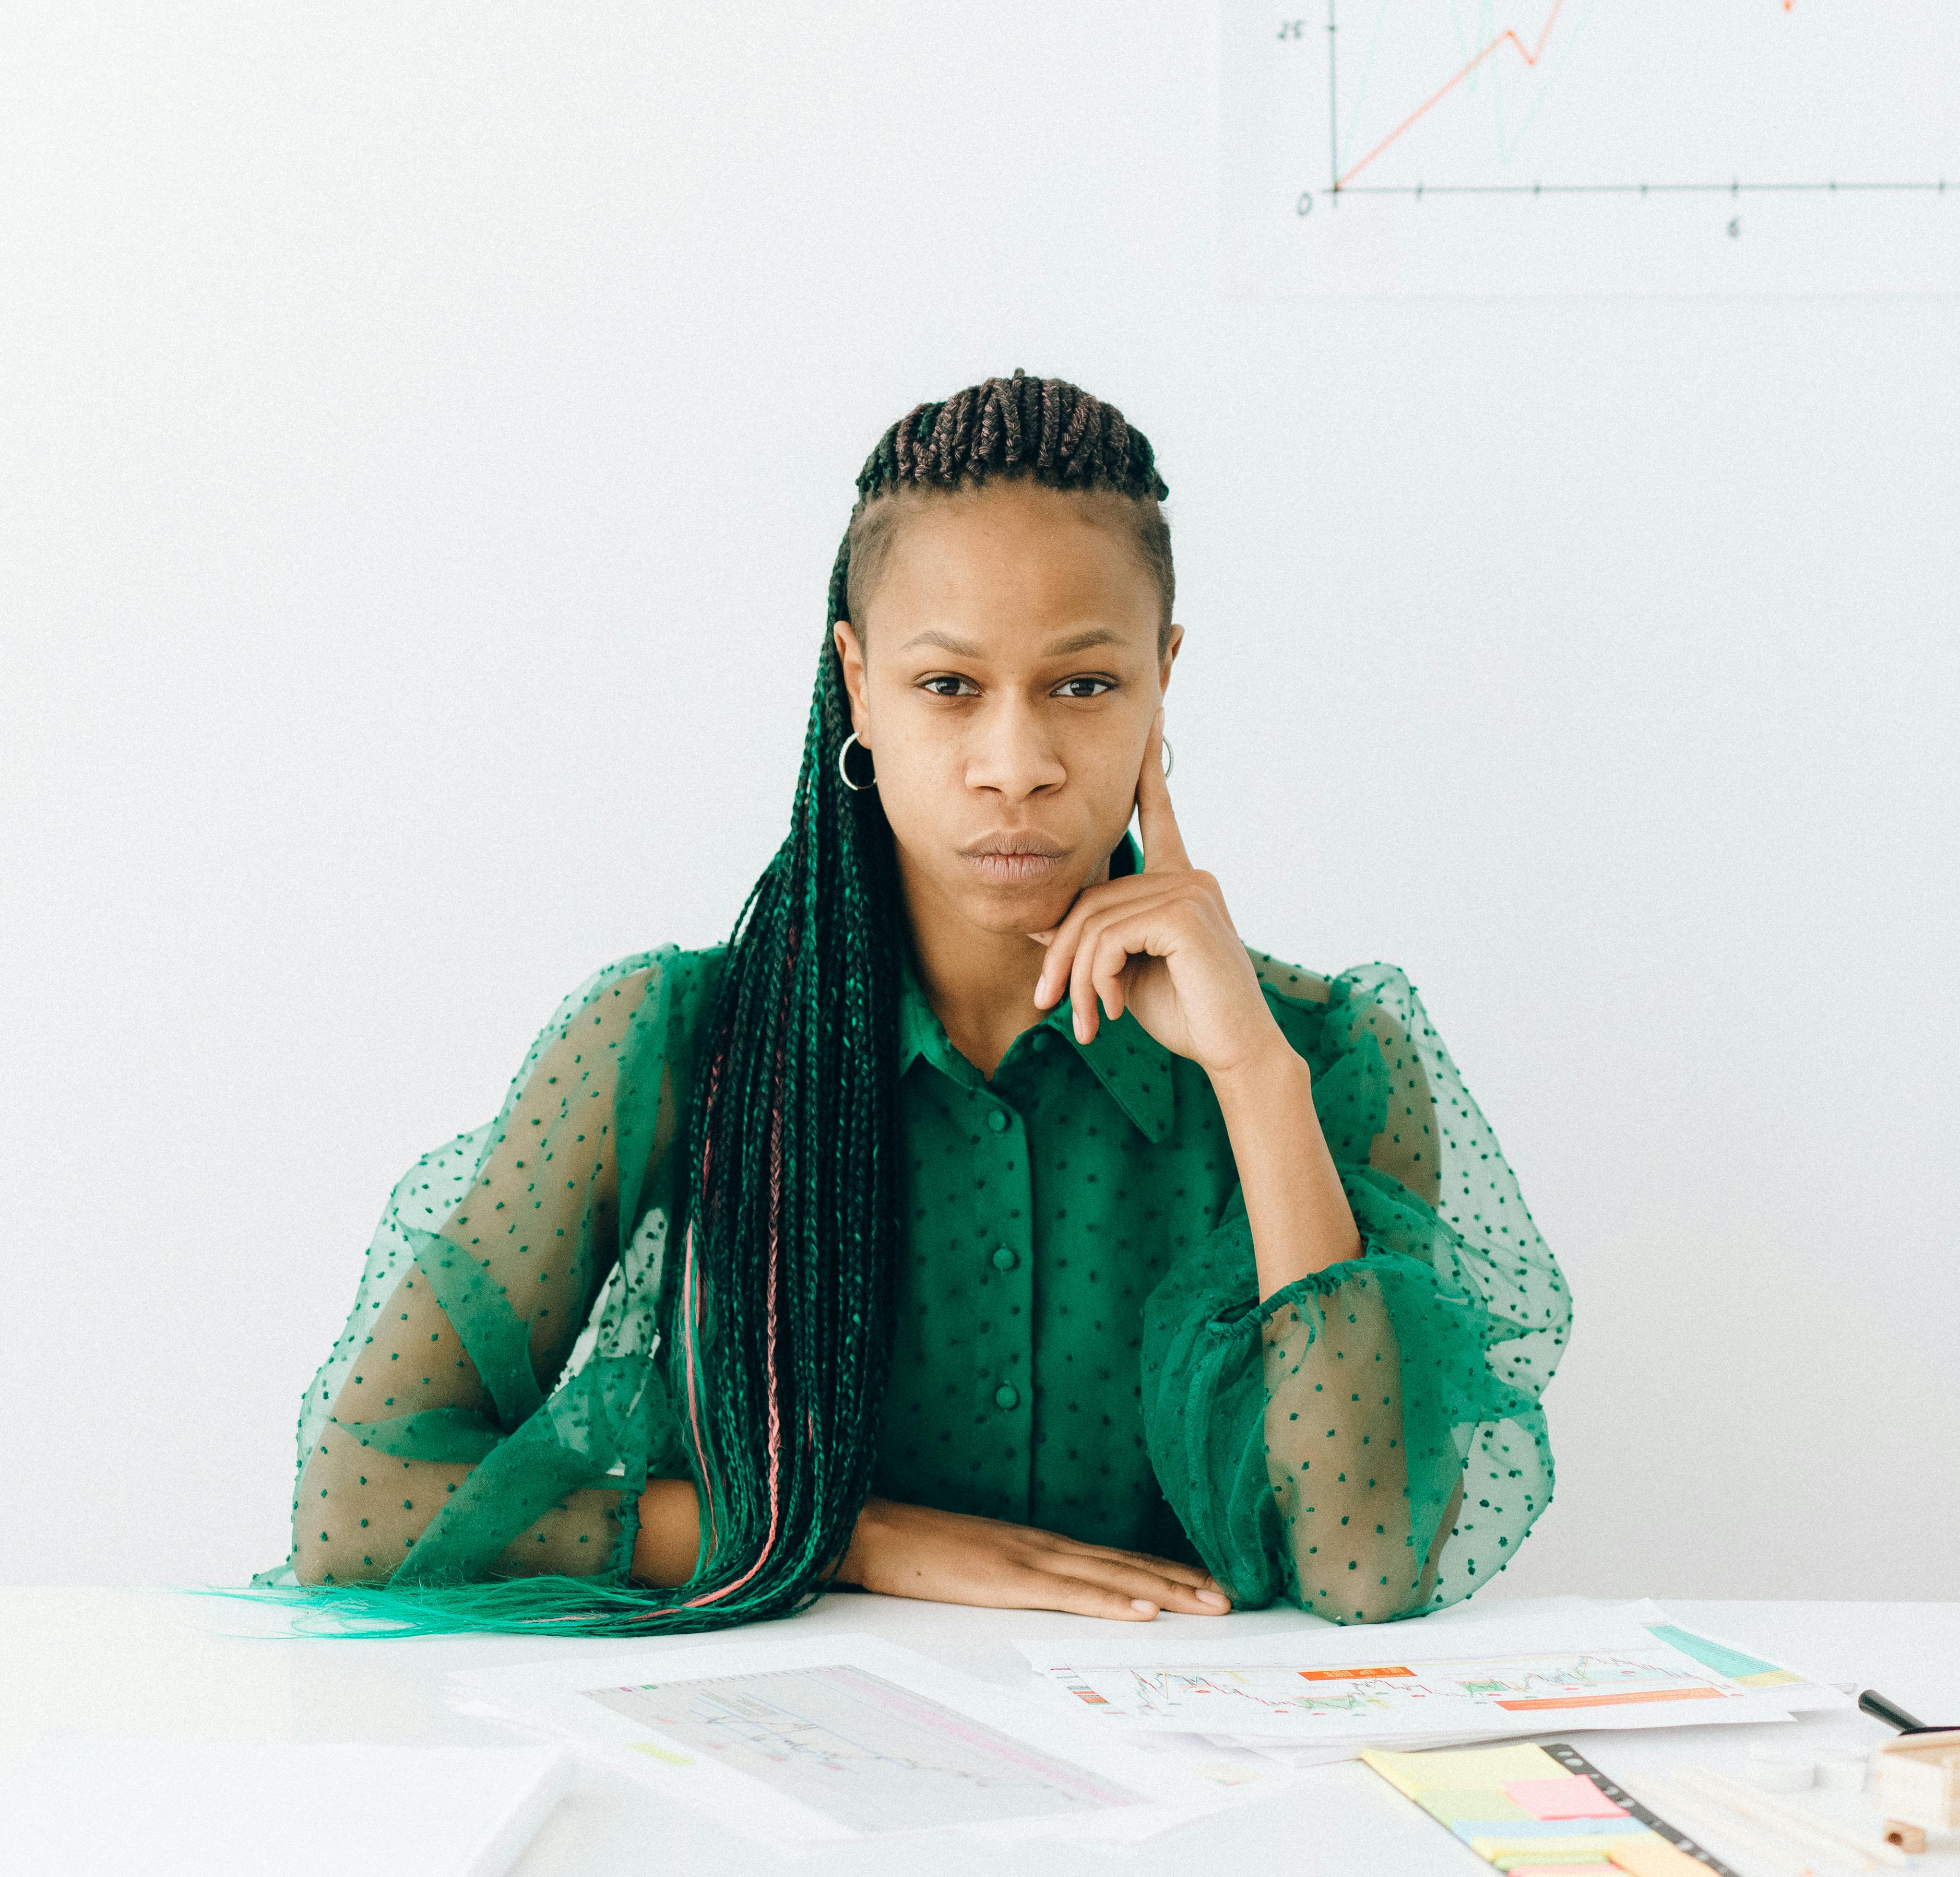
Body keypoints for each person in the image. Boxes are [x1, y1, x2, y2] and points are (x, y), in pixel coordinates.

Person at [272, 372, 1569, 1633]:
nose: (1017, 768)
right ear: (859, 682)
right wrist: (841, 1534)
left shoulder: (1329, 1058)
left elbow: (1366, 1565)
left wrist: (1257, 1083)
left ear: (1163, 680)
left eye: (1084, 684)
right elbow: (360, 1502)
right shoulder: (666, 1045)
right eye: (949, 688)